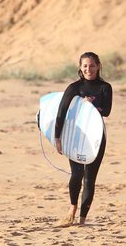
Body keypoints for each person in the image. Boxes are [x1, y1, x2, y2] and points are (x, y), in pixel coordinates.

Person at [55, 52, 112, 226]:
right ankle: (72, 207)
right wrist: (57, 137)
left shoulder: (105, 87)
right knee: (77, 174)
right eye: (85, 66)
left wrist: (90, 105)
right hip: (75, 136)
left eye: (92, 65)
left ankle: (82, 219)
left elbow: (107, 111)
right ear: (80, 67)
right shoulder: (74, 88)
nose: (88, 69)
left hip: (96, 136)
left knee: (89, 178)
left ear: (98, 66)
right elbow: (61, 112)